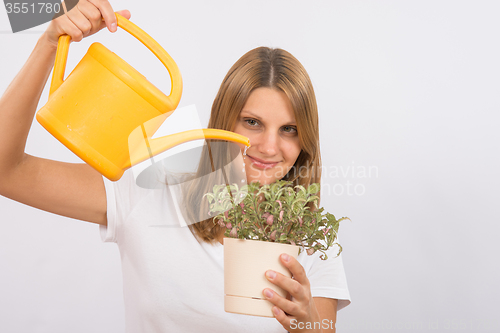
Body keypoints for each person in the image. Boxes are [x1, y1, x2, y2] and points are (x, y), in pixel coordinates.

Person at [0, 1, 350, 332]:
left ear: (305, 140)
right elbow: (7, 172)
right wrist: (48, 43)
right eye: (252, 122)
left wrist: (307, 323)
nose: (270, 147)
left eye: (289, 129)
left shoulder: (313, 235)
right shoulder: (154, 186)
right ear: (225, 120)